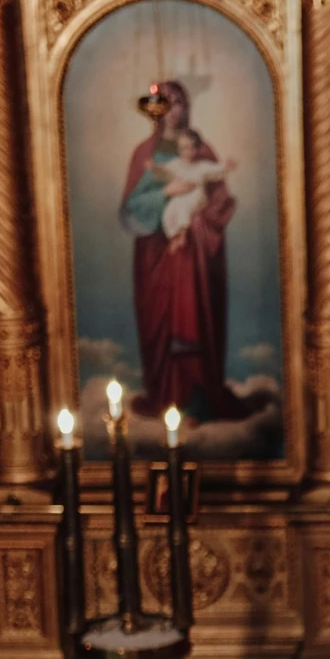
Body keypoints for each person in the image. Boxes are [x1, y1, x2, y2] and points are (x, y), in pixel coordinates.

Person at [119, 80, 247, 420]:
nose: (174, 110)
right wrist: (166, 193)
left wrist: (198, 221)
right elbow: (131, 209)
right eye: (167, 102)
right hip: (157, 256)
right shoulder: (145, 154)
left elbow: (220, 199)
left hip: (197, 256)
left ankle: (201, 393)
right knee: (163, 320)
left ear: (187, 107)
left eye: (179, 102)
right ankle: (164, 393)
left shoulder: (204, 153)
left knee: (196, 316)